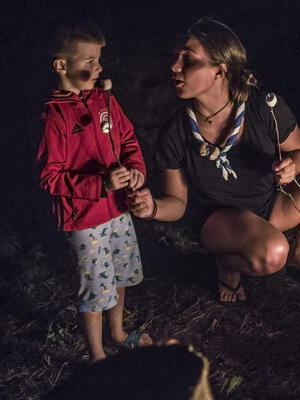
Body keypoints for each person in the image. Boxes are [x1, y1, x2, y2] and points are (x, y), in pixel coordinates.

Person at [126, 17, 300, 302]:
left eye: (188, 60)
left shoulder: (263, 108)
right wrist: (152, 208)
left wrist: (292, 167)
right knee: (273, 254)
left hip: (272, 203)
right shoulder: (176, 132)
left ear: (219, 71)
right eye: (175, 58)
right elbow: (177, 203)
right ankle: (227, 264)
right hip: (221, 221)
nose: (174, 67)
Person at [36, 23, 152, 362]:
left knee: (120, 271)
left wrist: (136, 171)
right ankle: (97, 356)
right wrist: (98, 184)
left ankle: (116, 333)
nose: (99, 69)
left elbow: (128, 139)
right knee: (95, 286)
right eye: (90, 61)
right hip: (84, 219)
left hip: (119, 208)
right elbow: (49, 177)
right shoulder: (53, 116)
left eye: (99, 60)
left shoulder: (104, 99)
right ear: (62, 66)